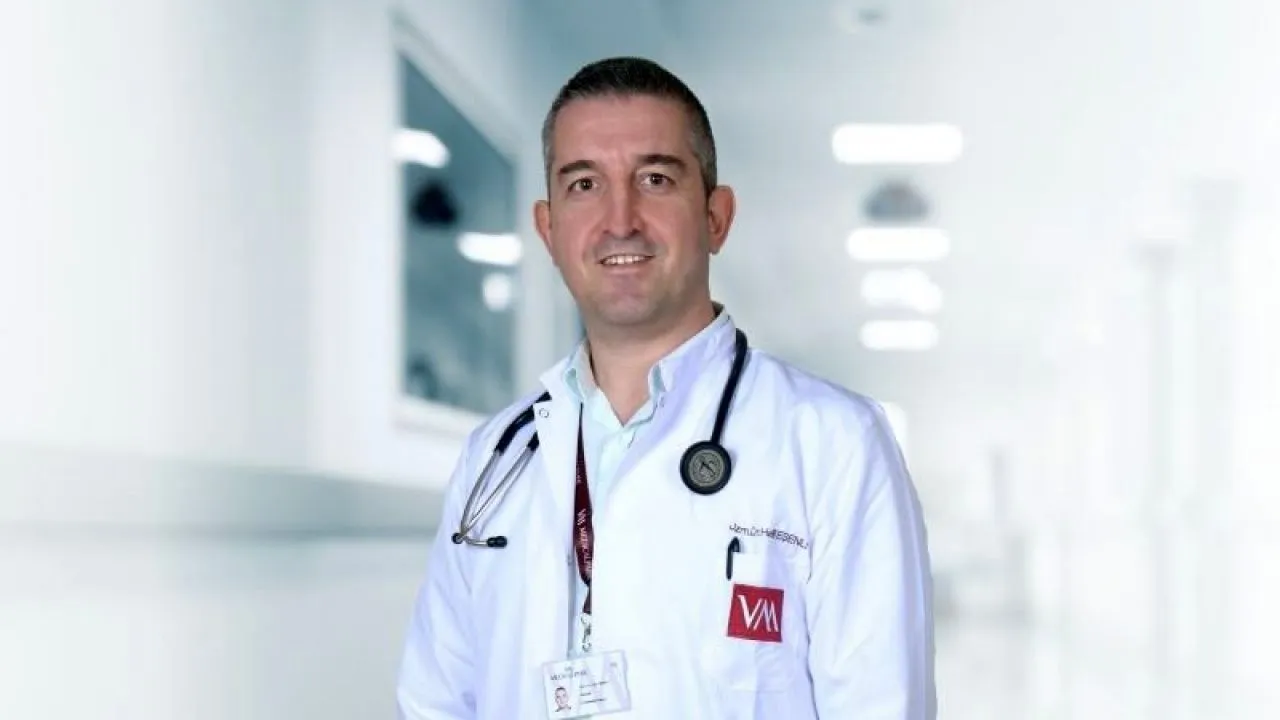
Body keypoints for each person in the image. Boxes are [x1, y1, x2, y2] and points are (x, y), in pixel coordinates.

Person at [396, 56, 936, 719]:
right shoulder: (495, 458)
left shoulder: (834, 442)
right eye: (584, 184)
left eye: (655, 179)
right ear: (548, 229)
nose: (620, 219)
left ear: (716, 217)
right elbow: (434, 701)